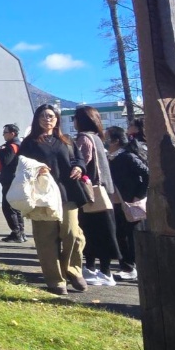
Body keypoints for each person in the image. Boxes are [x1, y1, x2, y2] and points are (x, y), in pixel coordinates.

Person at [18, 104, 87, 296]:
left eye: (51, 116)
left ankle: (73, 270)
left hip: (67, 192)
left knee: (73, 233)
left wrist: (79, 168)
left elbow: (78, 160)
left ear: (57, 119)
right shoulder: (30, 143)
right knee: (46, 238)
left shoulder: (66, 140)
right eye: (43, 116)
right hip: (43, 196)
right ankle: (55, 279)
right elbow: (20, 165)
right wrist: (35, 169)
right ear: (37, 119)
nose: (47, 119)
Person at [73, 106, 121, 286]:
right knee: (102, 231)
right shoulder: (97, 138)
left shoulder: (84, 138)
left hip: (90, 192)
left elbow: (81, 162)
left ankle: (100, 271)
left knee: (93, 231)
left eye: (75, 119)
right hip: (104, 191)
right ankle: (98, 269)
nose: (74, 122)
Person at [105, 126, 148, 282]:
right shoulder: (112, 157)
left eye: (107, 136)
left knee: (129, 235)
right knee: (121, 235)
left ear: (116, 140)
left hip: (129, 201)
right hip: (118, 201)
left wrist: (139, 195)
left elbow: (147, 173)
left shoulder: (126, 157)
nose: (105, 140)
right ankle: (127, 266)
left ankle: (130, 267)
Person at [0, 124, 25, 242]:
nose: (3, 135)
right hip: (14, 179)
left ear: (12, 133)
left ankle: (16, 233)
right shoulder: (19, 145)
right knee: (15, 207)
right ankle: (21, 233)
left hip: (10, 179)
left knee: (8, 207)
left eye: (5, 132)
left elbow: (6, 161)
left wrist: (1, 150)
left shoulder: (11, 146)